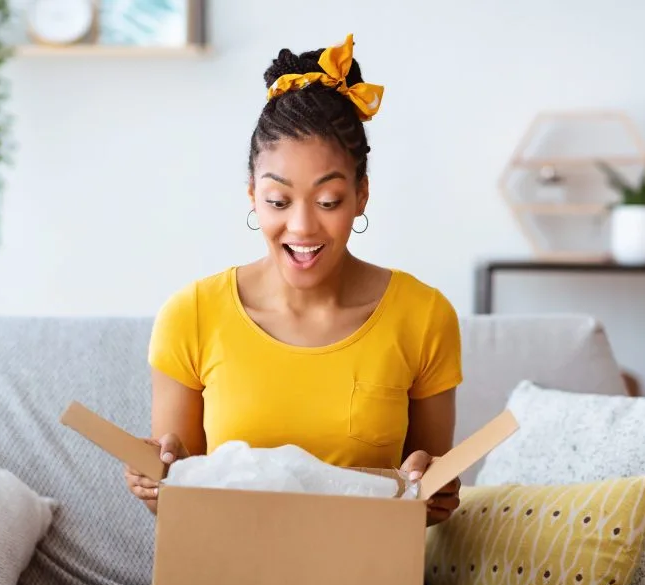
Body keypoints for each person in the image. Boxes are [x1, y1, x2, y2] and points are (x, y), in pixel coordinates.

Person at [124, 33, 463, 527]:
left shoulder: (424, 316)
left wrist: (435, 492)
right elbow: (182, 503)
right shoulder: (191, 315)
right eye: (278, 202)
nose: (302, 227)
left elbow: (426, 497)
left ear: (361, 195)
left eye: (328, 202)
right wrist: (157, 483)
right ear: (252, 196)